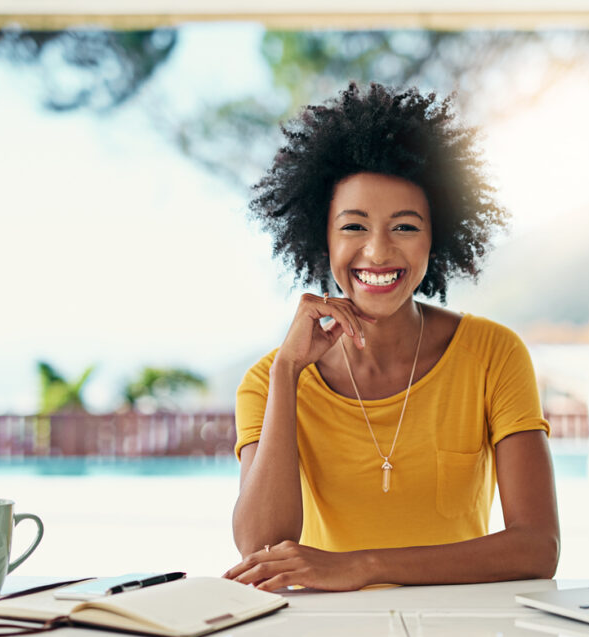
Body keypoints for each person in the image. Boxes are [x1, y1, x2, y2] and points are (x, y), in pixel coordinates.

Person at [223, 83, 558, 591]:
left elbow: (537, 547)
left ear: (436, 237)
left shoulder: (493, 354)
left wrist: (364, 565)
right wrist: (288, 374)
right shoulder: (269, 380)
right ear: (322, 237)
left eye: (404, 227)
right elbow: (261, 549)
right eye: (353, 227)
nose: (378, 253)